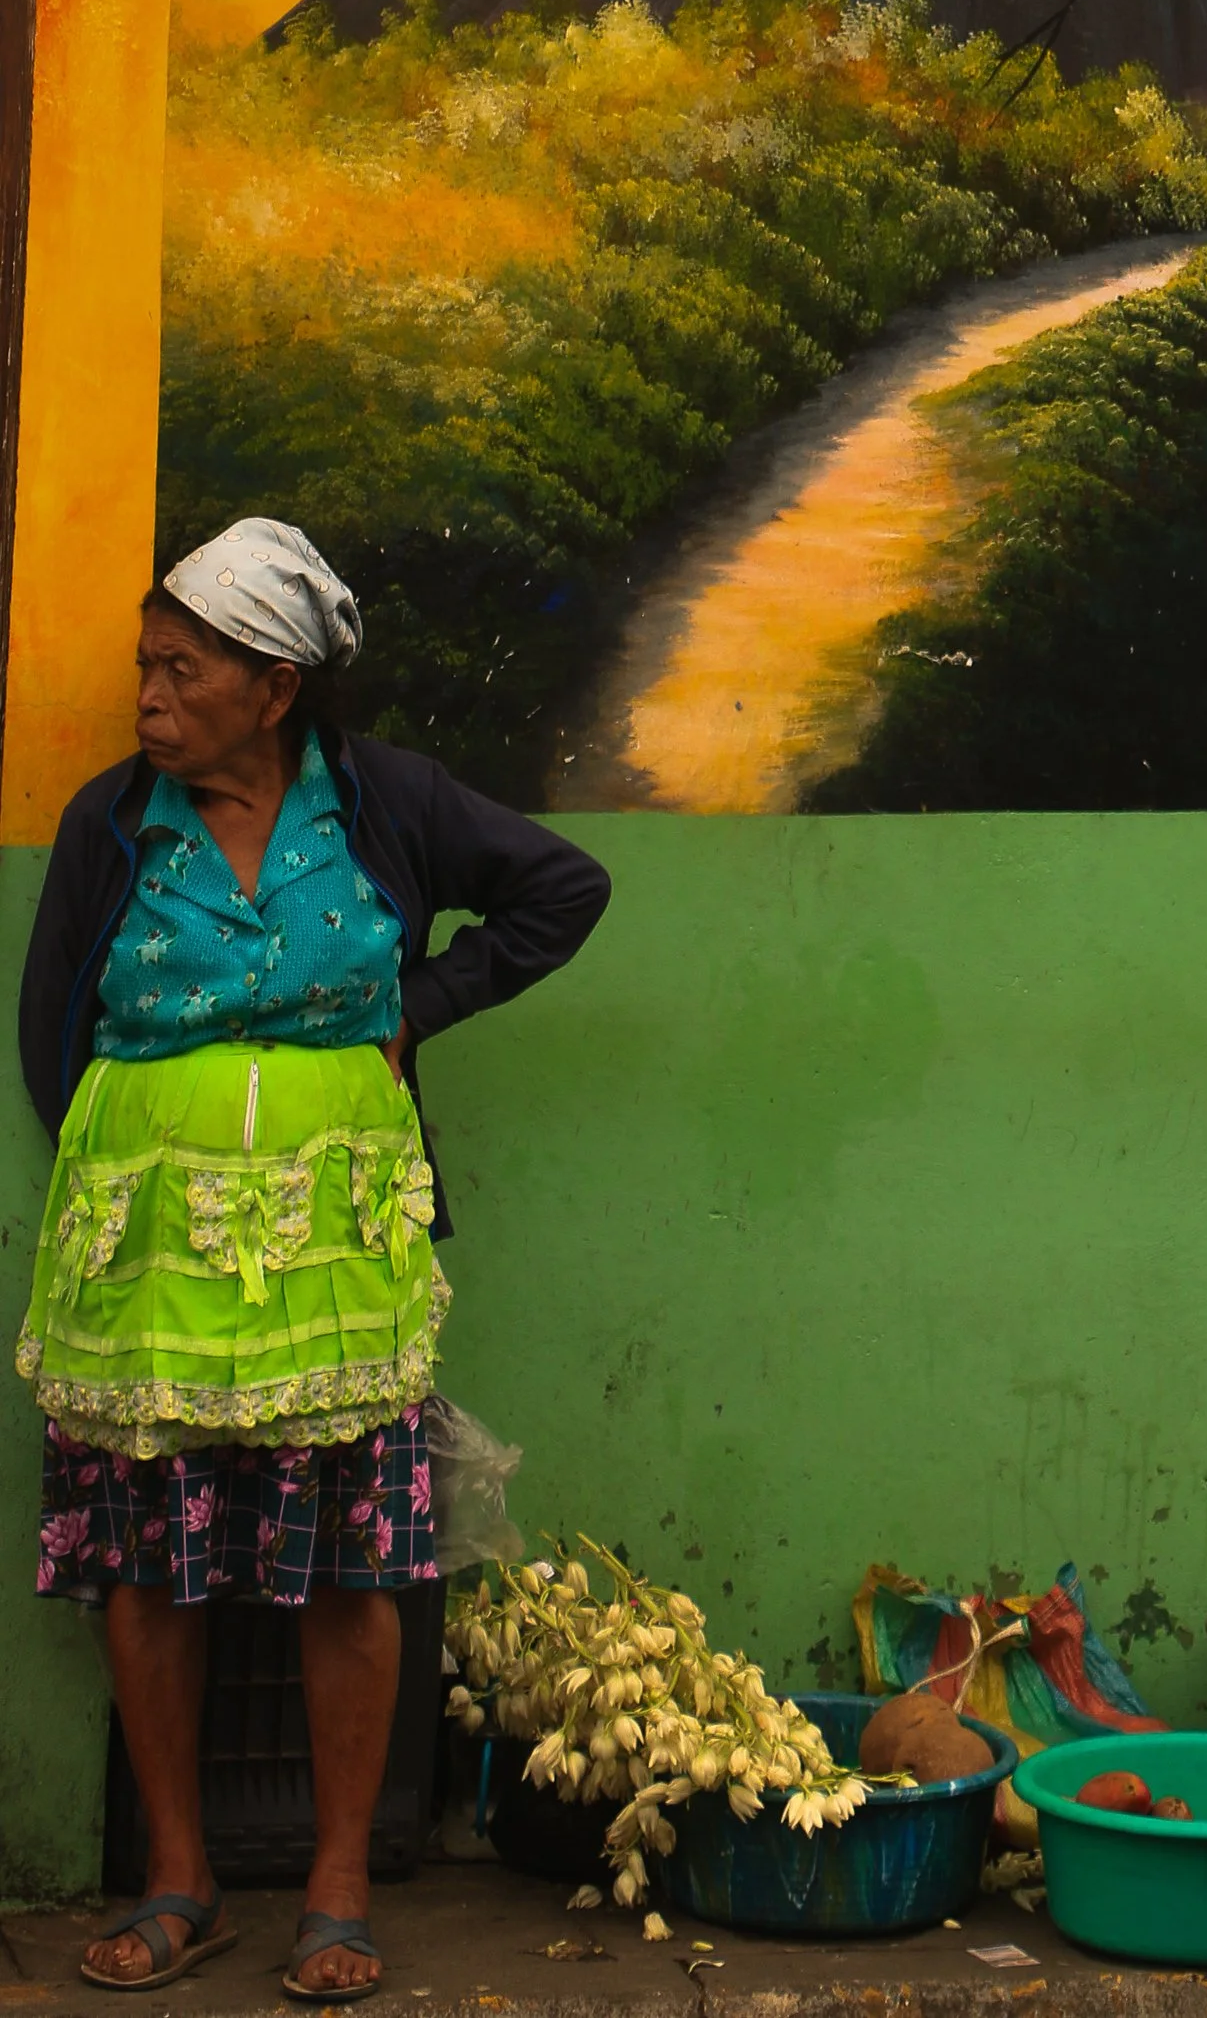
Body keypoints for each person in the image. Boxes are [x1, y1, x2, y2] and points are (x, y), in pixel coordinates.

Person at [16, 519, 610, 2000]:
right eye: (144, 664)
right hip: (151, 1269)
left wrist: (422, 1004)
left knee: (353, 1565)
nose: (148, 694)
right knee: (151, 1565)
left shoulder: (384, 802)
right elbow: (52, 1036)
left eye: (182, 667)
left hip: (336, 1266)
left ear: (274, 685)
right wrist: (153, 1165)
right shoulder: (112, 825)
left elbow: (560, 888)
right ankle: (181, 1876)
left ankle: (337, 1884)